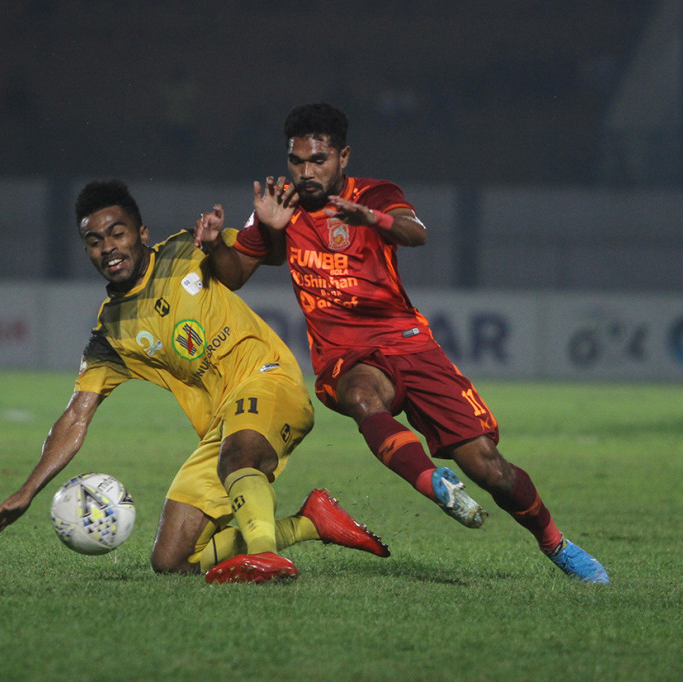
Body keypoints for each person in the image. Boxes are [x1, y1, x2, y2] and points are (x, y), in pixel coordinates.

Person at [195, 103, 609, 583]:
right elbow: (235, 274)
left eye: (319, 160)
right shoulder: (279, 207)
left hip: (409, 343)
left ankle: (555, 543)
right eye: (297, 160)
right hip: (346, 355)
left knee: (492, 469)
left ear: (343, 157)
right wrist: (215, 246)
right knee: (362, 397)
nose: (306, 171)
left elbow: (418, 233)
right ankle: (433, 483)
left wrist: (371, 218)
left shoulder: (376, 194)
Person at [0, 179, 390, 584]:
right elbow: (75, 417)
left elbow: (270, 254)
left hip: (270, 380)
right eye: (95, 241)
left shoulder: (187, 247)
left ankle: (266, 554)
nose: (108, 248)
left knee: (239, 457)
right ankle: (310, 523)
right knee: (172, 560)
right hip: (222, 425)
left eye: (117, 233)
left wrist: (249, 234)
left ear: (141, 232)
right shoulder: (112, 331)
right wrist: (27, 491)